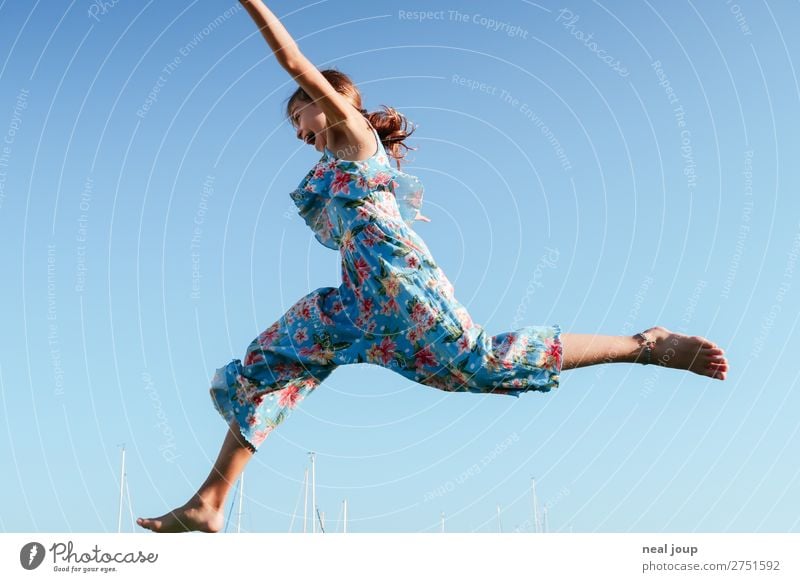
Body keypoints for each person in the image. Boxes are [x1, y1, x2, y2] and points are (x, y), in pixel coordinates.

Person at [137, 0, 728, 533]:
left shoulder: (352, 136)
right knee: (267, 364)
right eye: (295, 128)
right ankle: (212, 499)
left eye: (301, 116)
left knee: (480, 365)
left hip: (403, 288)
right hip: (354, 303)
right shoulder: (330, 164)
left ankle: (645, 344)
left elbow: (293, 60)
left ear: (329, 102)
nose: (299, 133)